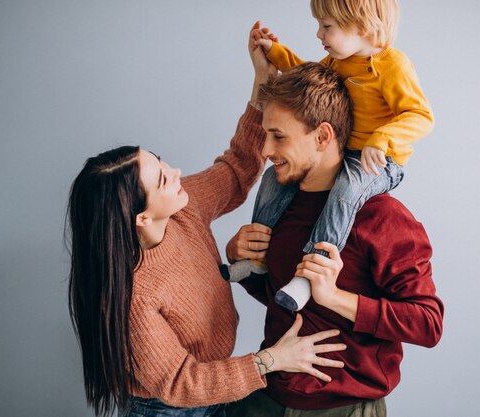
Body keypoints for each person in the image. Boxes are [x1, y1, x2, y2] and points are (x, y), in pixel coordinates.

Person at [65, 23, 348, 417]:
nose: (177, 171)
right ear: (142, 216)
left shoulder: (183, 208)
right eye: (163, 178)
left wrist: (260, 85)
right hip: (167, 408)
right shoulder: (136, 294)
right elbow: (183, 383)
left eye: (162, 161)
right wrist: (272, 360)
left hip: (215, 391)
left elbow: (236, 168)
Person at [224, 62, 444, 416]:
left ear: (323, 136)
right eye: (266, 135)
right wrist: (240, 259)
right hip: (268, 398)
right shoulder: (281, 201)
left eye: (279, 136)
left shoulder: (383, 216)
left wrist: (336, 298)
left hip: (344, 408)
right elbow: (282, 300)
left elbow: (427, 323)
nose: (265, 149)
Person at [221, 0, 435, 312]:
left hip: (380, 160)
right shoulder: (340, 61)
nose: (319, 33)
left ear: (361, 26)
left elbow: (421, 115)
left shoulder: (393, 66)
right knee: (271, 179)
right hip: (350, 152)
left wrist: (382, 138)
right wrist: (274, 53)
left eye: (327, 26)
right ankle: (256, 258)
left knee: (346, 192)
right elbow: (307, 76)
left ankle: (314, 268)